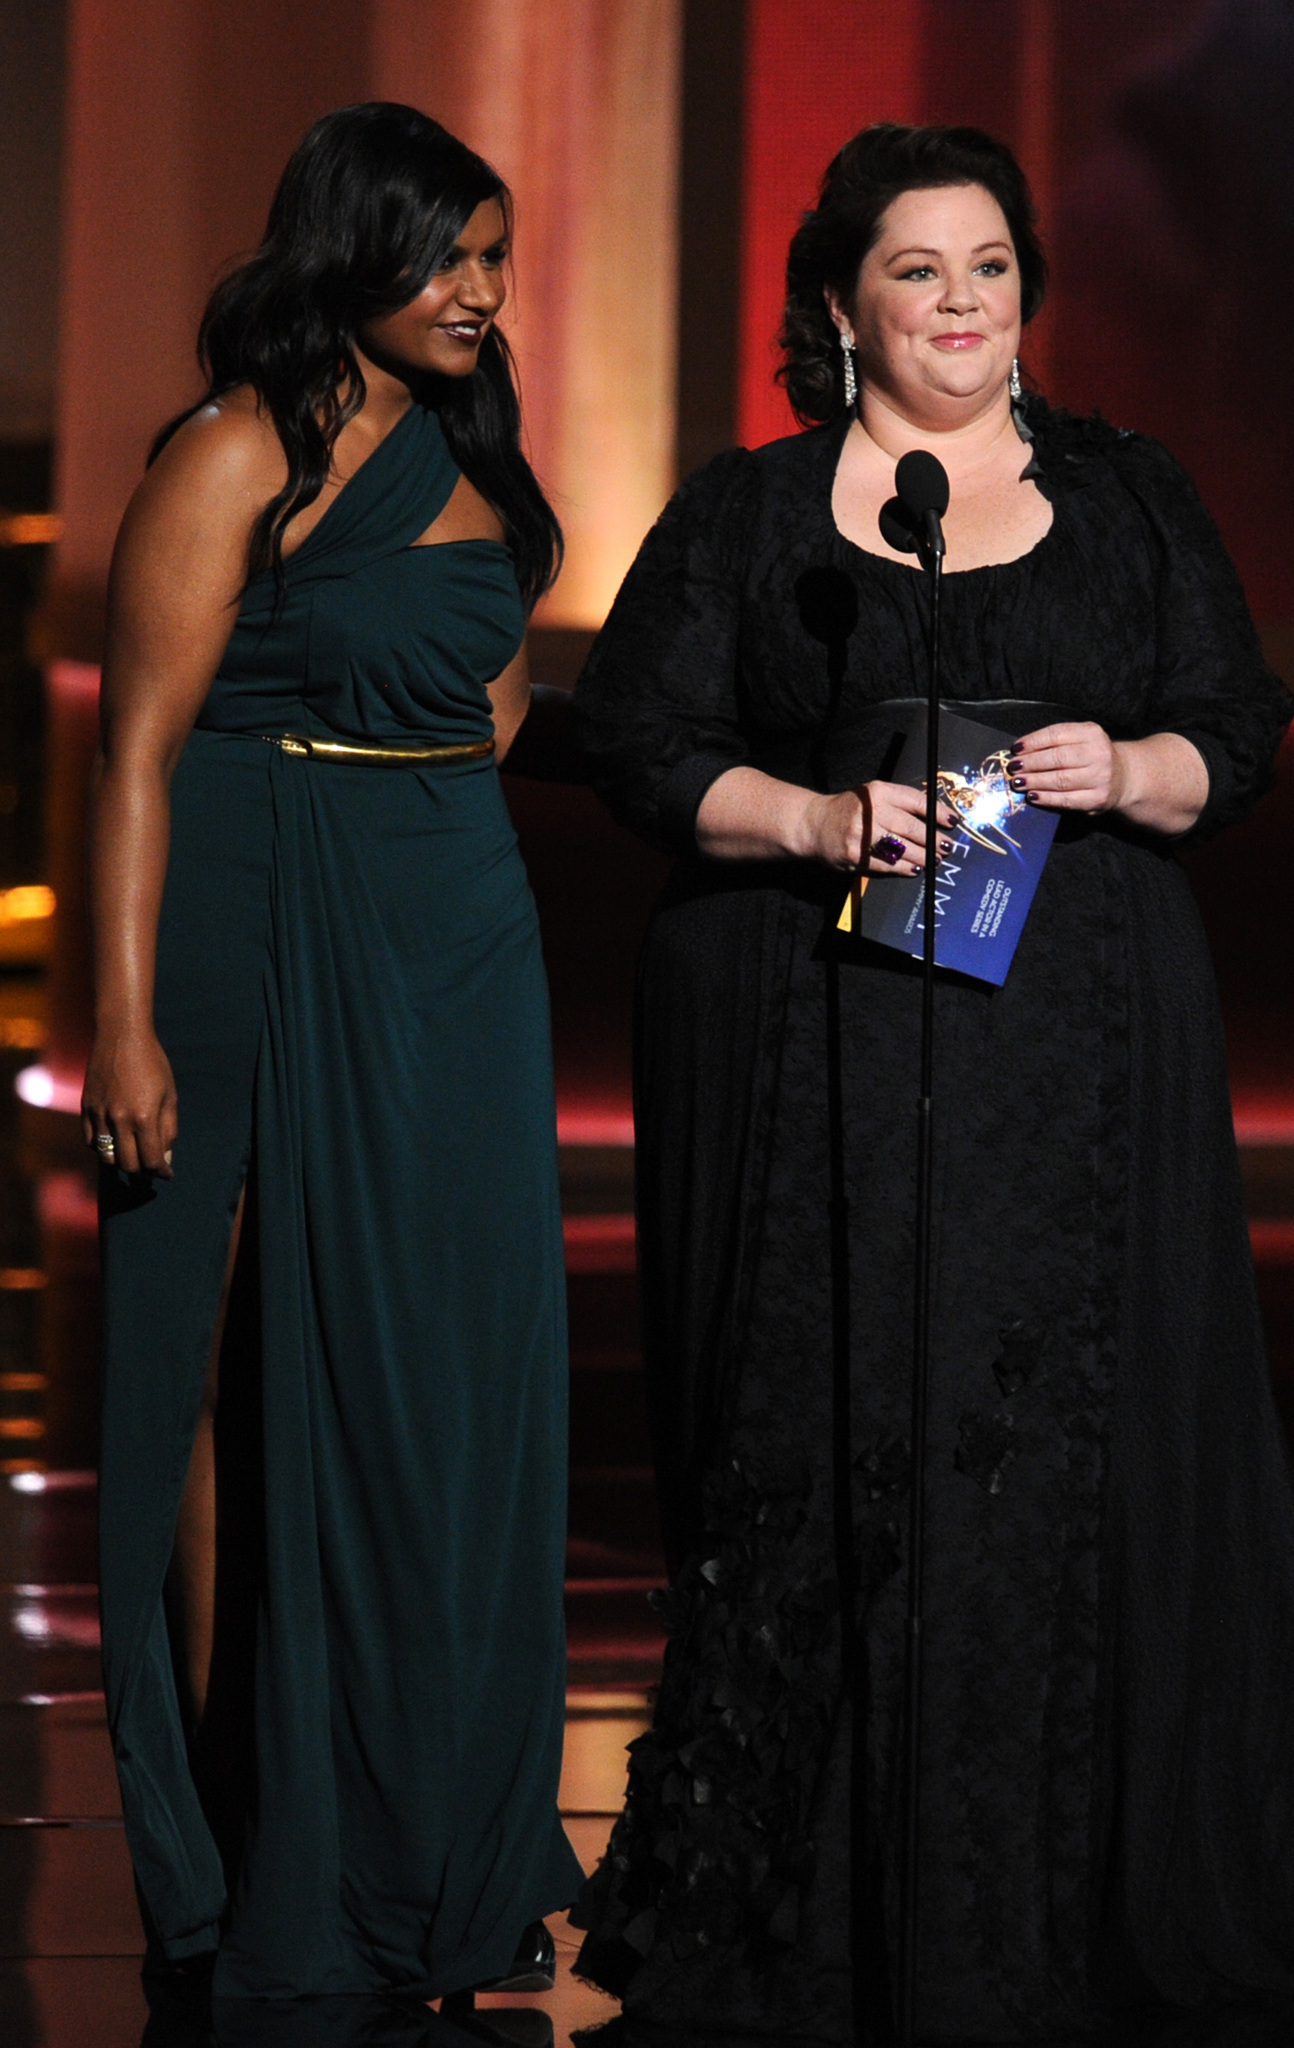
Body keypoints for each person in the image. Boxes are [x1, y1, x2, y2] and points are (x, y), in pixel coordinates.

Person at [570, 124, 1294, 2040]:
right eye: (917, 270)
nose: (960, 306)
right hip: (839, 1050)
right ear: (839, 301)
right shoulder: (757, 514)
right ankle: (821, 1908)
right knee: (848, 1435)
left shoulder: (1128, 496)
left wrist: (1131, 768)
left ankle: (1053, 1888)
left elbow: (1232, 735)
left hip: (1078, 1058)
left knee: (1056, 1458)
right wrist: (818, 818)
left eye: (990, 267)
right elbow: (640, 743)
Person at [84, 103, 581, 2011]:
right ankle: (262, 1819)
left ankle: (432, 1824)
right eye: (447, 257)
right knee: (240, 1351)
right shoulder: (233, 450)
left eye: (494, 257)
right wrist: (122, 1015)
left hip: (451, 932)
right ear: (347, 255)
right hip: (260, 910)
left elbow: (491, 674)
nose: (480, 291)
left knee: (446, 1374)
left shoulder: (470, 436)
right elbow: (133, 748)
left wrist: (434, 800)